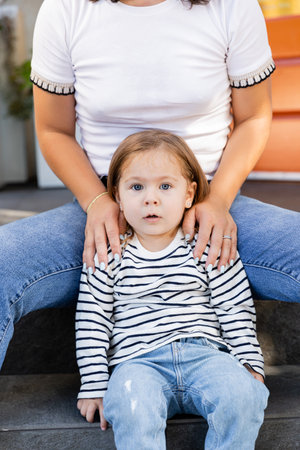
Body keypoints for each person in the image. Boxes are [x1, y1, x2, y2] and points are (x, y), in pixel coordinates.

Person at [0, 0, 299, 369]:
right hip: (106, 205)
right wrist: (96, 201)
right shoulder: (64, 9)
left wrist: (218, 199)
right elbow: (53, 130)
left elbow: (254, 116)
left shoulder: (232, 6)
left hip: (209, 200)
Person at [76, 129, 269, 449]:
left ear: (189, 194)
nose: (151, 198)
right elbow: (93, 319)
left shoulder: (207, 243)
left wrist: (249, 362)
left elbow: (234, 306)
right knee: (128, 401)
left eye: (165, 186)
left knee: (243, 396)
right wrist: (94, 384)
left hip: (206, 355)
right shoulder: (107, 252)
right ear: (118, 197)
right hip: (137, 362)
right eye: (136, 187)